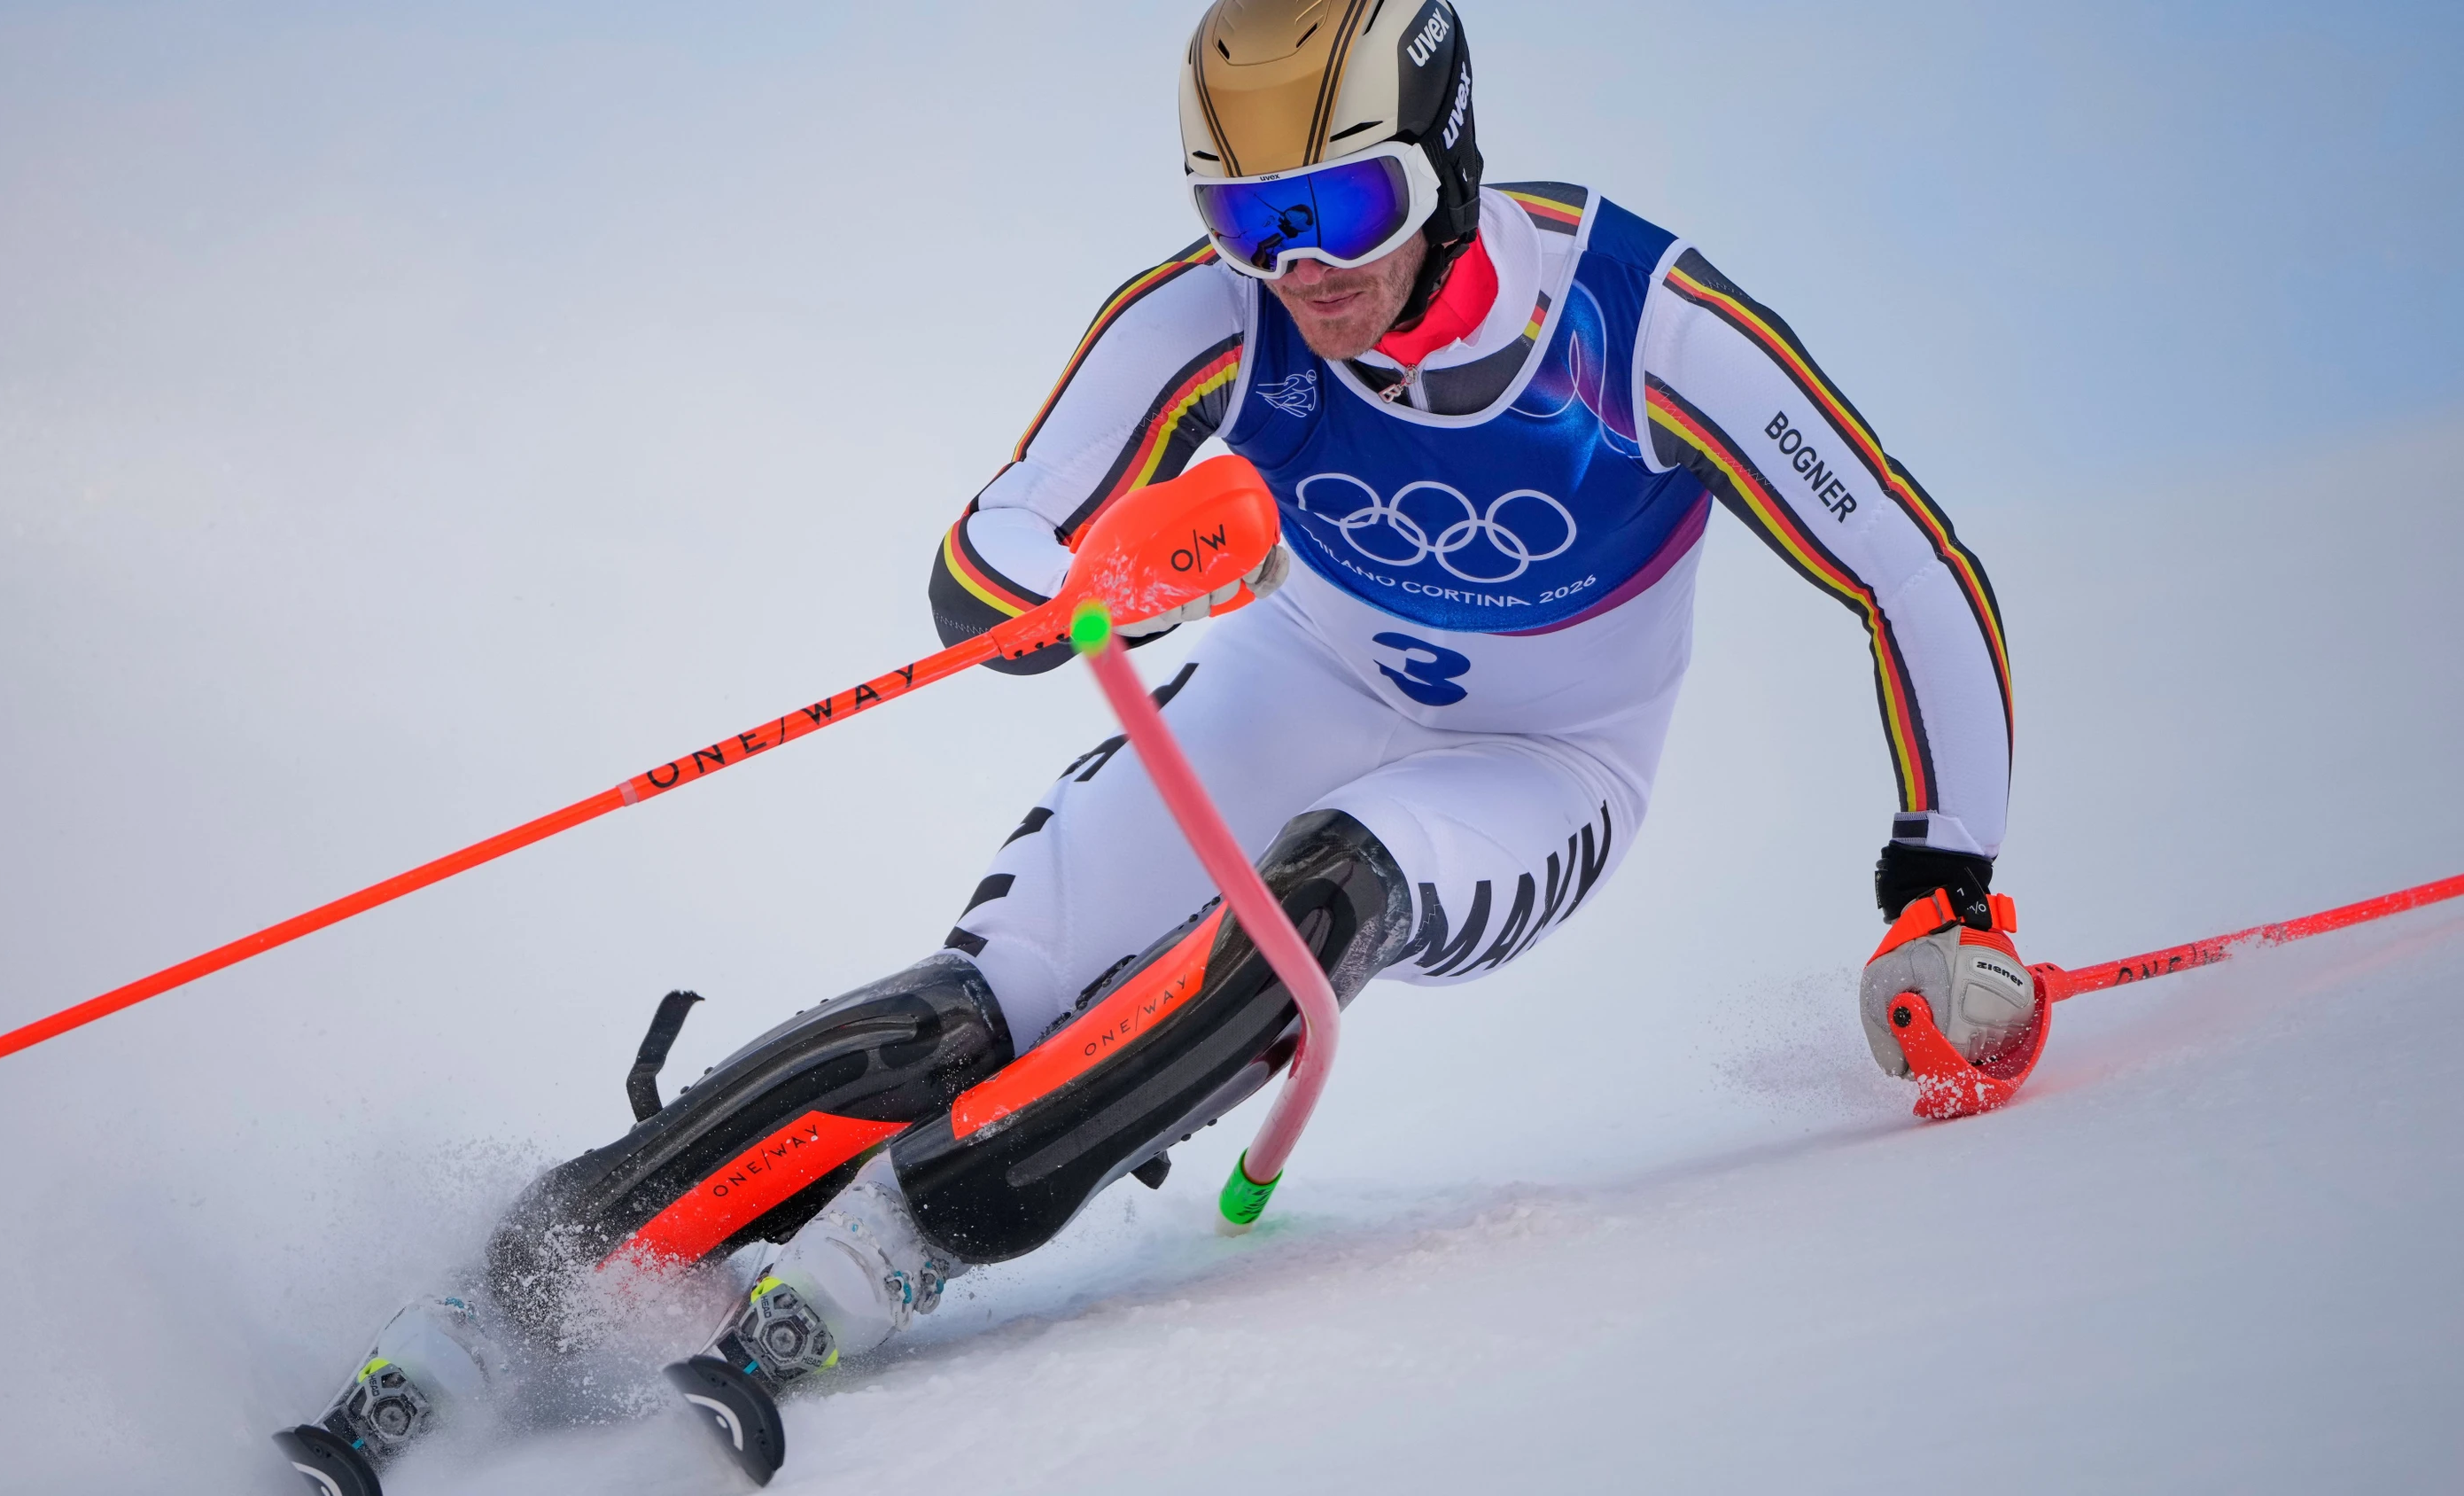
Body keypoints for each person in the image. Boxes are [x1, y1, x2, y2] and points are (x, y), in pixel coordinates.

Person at [276, 2, 2029, 1490]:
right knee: (966, 1010)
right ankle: (505, 1297)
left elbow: (1907, 565)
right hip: (1299, 682)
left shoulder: (1637, 326)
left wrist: (1944, 895)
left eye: (1342, 205)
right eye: (1247, 215)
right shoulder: (1210, 315)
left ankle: (907, 1234)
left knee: (1318, 901)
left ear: (1449, 162)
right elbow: (991, 563)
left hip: (1544, 757)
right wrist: (1114, 570)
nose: (1302, 269)